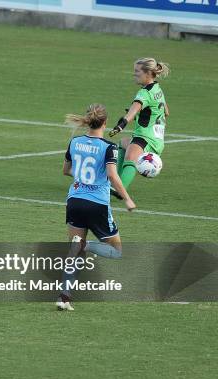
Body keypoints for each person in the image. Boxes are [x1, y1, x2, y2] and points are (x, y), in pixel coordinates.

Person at [57, 104, 136, 311]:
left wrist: (82, 178)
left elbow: (66, 170)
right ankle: (85, 246)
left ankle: (64, 297)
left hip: (74, 200)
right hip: (97, 204)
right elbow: (112, 175)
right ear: (105, 123)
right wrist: (127, 198)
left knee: (73, 250)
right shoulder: (108, 147)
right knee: (116, 251)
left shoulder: (75, 142)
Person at [108, 57, 170, 198]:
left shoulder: (144, 93)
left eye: (137, 71)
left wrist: (121, 124)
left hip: (145, 137)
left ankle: (119, 189)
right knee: (123, 144)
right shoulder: (157, 89)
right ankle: (116, 180)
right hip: (157, 140)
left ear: (148, 73)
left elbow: (133, 110)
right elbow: (166, 112)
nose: (134, 74)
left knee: (130, 157)